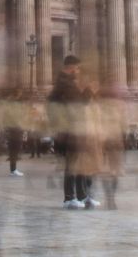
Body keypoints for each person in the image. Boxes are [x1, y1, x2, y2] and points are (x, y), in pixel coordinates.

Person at [49, 54, 94, 209]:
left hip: (76, 127)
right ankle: (69, 198)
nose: (78, 71)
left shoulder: (68, 84)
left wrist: (88, 90)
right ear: (71, 67)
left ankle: (82, 196)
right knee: (73, 163)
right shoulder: (63, 84)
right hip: (70, 128)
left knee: (79, 162)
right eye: (77, 67)